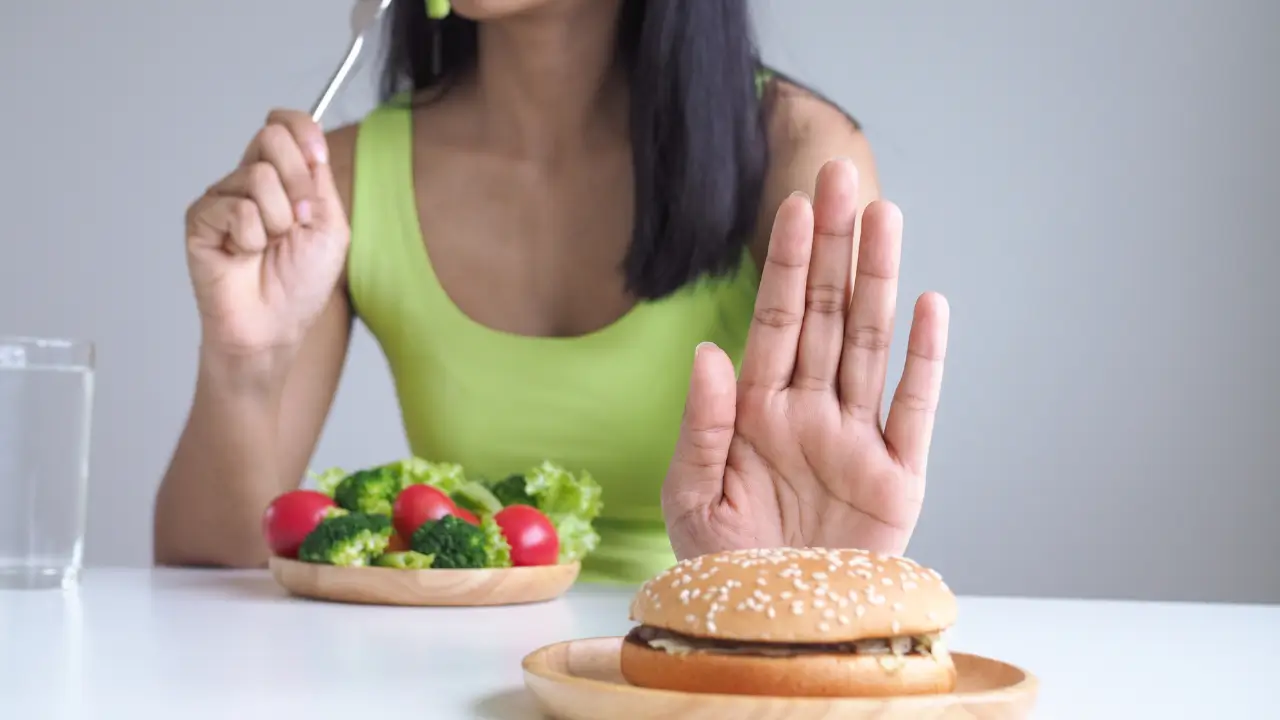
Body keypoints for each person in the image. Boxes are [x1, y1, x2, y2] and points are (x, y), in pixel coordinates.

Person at [155, 0, 950, 585]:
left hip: (718, 667)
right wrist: (243, 362)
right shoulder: (342, 181)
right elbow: (208, 570)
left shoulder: (796, 151)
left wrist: (801, 567)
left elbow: (825, 535)